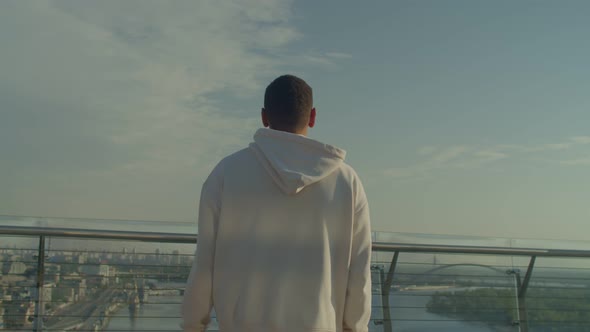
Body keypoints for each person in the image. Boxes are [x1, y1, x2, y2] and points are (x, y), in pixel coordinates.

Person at [181, 74, 372, 332]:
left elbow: (205, 265)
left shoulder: (226, 173)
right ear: (312, 117)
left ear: (264, 116)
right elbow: (359, 274)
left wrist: (193, 326)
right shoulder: (347, 182)